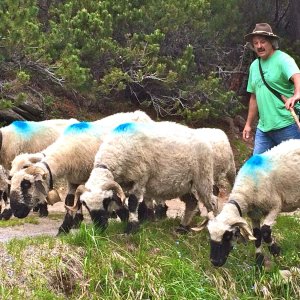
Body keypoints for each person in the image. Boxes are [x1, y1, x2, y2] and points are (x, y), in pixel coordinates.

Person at [243, 23, 300, 154]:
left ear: (271, 42)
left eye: (262, 42)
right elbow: (254, 97)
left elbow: (297, 77)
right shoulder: (254, 66)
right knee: (257, 170)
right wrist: (248, 124)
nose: (259, 46)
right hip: (264, 130)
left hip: (287, 125)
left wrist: (297, 94)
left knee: (294, 169)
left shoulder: (283, 60)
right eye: (255, 43)